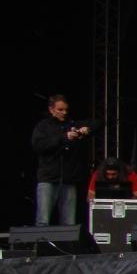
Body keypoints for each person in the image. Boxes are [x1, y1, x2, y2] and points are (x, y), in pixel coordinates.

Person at [30, 94, 97, 225]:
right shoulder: (43, 126)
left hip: (68, 179)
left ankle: (67, 246)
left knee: (69, 222)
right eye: (60, 110)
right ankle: (42, 245)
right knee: (43, 220)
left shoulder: (71, 124)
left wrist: (86, 129)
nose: (64, 113)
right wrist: (64, 137)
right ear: (51, 109)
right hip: (48, 179)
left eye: (65, 110)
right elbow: (38, 145)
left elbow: (98, 123)